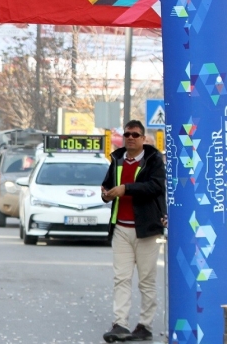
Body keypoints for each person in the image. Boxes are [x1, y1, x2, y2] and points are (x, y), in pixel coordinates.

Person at [101, 120, 166, 343]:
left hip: (146, 230)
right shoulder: (117, 159)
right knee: (121, 278)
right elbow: (108, 184)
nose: (130, 138)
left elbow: (156, 186)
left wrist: (126, 189)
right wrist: (106, 194)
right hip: (121, 227)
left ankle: (145, 325)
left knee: (146, 280)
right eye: (127, 134)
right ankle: (120, 323)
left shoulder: (153, 160)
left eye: (135, 135)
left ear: (143, 138)